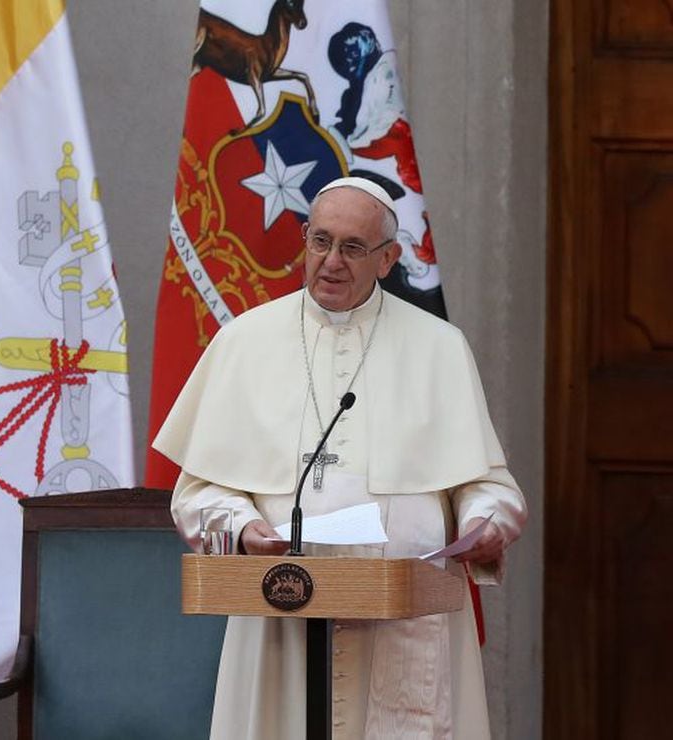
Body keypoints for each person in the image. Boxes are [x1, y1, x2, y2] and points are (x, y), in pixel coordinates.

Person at [153, 176, 527, 739]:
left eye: (352, 248)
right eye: (320, 241)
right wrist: (245, 527)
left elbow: (486, 485)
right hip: (282, 615)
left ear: (388, 260)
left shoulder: (439, 346)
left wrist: (485, 522)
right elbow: (199, 493)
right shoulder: (244, 342)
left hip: (407, 615)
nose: (330, 261)